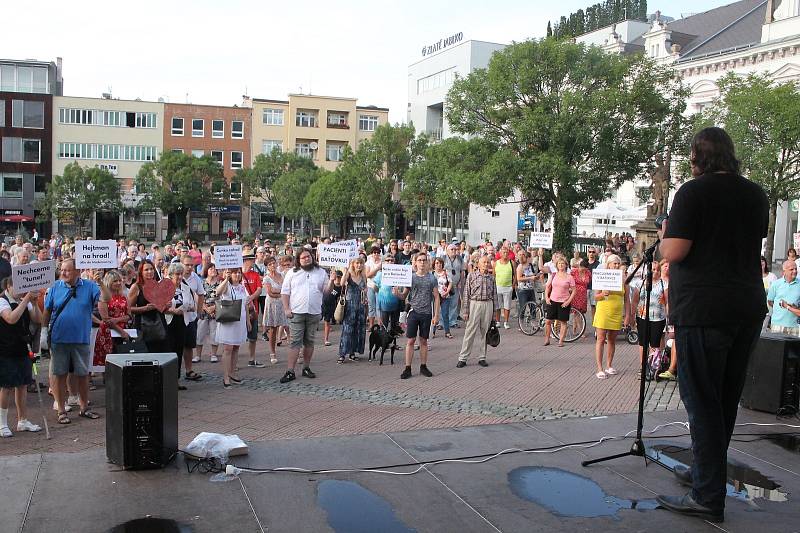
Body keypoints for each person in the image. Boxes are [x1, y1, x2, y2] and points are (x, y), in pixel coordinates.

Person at [656, 127, 769, 522]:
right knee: (724, 397)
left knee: (701, 400)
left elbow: (674, 250)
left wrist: (665, 230)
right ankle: (707, 474)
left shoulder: (693, 192)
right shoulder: (756, 194)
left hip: (704, 308)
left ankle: (707, 496)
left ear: (697, 157)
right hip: (747, 306)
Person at [42, 259, 102, 423]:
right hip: (59, 339)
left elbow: (106, 299)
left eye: (67, 270)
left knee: (82, 375)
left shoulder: (89, 286)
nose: (63, 273)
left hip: (81, 338)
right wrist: (43, 331)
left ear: (77, 271)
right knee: (59, 374)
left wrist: (101, 283)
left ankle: (84, 407)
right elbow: (47, 311)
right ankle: (61, 410)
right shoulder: (55, 287)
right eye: (62, 270)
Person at [279, 248, 336, 383]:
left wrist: (332, 281)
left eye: (308, 256)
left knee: (309, 341)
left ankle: (306, 367)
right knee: (295, 342)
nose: (307, 259)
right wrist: (286, 308)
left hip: (314, 312)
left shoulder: (321, 272)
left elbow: (327, 291)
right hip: (297, 312)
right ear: (298, 260)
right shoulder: (292, 273)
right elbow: (285, 292)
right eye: (303, 257)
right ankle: (290, 371)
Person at [0, 277, 42, 437]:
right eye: (18, 288)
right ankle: (2, 423)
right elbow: (11, 318)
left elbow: (37, 319)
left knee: (23, 384)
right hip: (5, 349)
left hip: (23, 348)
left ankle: (22, 420)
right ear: (9, 287)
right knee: (6, 386)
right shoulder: (2, 301)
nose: (21, 292)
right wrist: (25, 299)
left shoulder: (24, 300)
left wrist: (35, 302)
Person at [398, 253, 440, 379]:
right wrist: (397, 293)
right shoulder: (410, 278)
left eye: (424, 260)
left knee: (423, 340)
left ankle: (423, 366)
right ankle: (407, 367)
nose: (422, 263)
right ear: (415, 263)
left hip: (426, 313)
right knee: (410, 340)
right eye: (420, 260)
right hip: (413, 312)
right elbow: (403, 296)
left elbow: (437, 297)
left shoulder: (432, 278)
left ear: (427, 263)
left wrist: (436, 315)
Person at [216, 268, 255, 388]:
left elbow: (246, 304)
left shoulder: (242, 287)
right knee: (228, 348)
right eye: (234, 272)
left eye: (239, 272)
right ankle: (226, 376)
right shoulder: (227, 285)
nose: (237, 275)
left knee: (236, 347)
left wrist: (248, 320)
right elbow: (218, 292)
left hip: (240, 320)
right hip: (229, 320)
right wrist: (226, 279)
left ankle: (232, 372)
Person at [457, 255, 497, 367]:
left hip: (488, 304)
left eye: (487, 262)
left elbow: (494, 296)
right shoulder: (471, 276)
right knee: (470, 331)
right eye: (483, 262)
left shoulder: (491, 278)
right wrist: (465, 311)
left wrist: (494, 313)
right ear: (478, 264)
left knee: (485, 332)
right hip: (475, 304)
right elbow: (466, 294)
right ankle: (463, 358)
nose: (486, 264)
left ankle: (482, 357)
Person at [591, 254, 627, 378]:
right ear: (609, 265)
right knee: (601, 339)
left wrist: (627, 315)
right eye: (614, 263)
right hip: (603, 311)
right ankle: (600, 368)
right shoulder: (602, 277)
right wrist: (602, 294)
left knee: (612, 340)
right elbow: (595, 297)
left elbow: (627, 299)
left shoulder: (623, 278)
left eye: (618, 264)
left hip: (616, 313)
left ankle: (609, 365)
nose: (616, 266)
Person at [631, 260, 667, 375]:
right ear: (648, 271)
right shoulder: (639, 283)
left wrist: (670, 315)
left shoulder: (664, 284)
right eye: (653, 270)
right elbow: (635, 301)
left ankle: (652, 366)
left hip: (658, 317)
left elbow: (667, 302)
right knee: (643, 342)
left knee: (655, 343)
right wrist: (631, 315)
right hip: (642, 316)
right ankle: (643, 366)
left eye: (657, 270)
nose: (655, 272)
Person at [128, 260, 171, 354]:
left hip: (159, 325)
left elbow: (162, 307)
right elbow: (128, 309)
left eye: (151, 269)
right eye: (146, 270)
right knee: (145, 355)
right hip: (143, 326)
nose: (150, 272)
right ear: (141, 272)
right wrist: (145, 308)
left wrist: (166, 305)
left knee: (162, 355)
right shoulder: (136, 287)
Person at [93, 270, 130, 371]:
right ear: (109, 282)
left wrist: (117, 320)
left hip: (123, 332)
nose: (118, 283)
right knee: (109, 361)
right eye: (115, 281)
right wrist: (120, 330)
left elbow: (129, 315)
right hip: (108, 333)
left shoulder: (124, 296)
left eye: (119, 280)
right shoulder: (103, 297)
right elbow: (106, 319)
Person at [338, 257, 368, 363]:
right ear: (353, 264)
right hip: (350, 305)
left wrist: (366, 300)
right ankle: (342, 354)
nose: (359, 265)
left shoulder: (363, 275)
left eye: (361, 263)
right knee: (347, 329)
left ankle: (352, 352)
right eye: (357, 263)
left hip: (361, 305)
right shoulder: (349, 274)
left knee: (358, 329)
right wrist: (346, 271)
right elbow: (341, 283)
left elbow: (366, 289)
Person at [180, 255, 205, 381]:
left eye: (192, 265)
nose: (190, 268)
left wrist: (199, 311)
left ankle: (189, 370)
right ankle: (175, 371)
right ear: (181, 263)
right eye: (187, 265)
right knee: (176, 344)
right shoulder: (174, 275)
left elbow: (201, 294)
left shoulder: (196, 278)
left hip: (191, 317)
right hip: (176, 317)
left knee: (189, 344)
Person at [543, 256, 575, 347]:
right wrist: (547, 298)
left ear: (566, 265)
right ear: (557, 265)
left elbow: (574, 290)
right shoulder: (553, 275)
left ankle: (561, 340)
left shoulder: (569, 277)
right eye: (559, 263)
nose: (561, 265)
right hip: (553, 300)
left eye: (563, 263)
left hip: (564, 301)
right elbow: (548, 287)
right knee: (548, 321)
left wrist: (568, 301)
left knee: (563, 322)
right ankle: (547, 339)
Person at [241, 252, 265, 368]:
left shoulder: (255, 275)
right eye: (251, 259)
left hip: (252, 308)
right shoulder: (237, 274)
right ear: (245, 260)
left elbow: (259, 289)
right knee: (237, 336)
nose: (253, 261)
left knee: (253, 336)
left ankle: (252, 358)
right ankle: (234, 360)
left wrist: (251, 297)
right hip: (240, 309)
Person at [262, 256, 288, 363]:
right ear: (267, 267)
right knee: (273, 330)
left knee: (288, 327)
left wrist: (278, 291)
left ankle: (296, 351)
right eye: (270, 264)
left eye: (273, 263)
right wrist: (281, 293)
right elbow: (270, 292)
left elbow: (286, 289)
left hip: (282, 305)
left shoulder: (282, 275)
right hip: (272, 305)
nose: (272, 265)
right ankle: (272, 353)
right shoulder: (266, 278)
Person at [766, 260, 800, 335]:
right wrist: (779, 307)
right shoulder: (776, 284)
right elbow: (770, 301)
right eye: (791, 269)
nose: (795, 271)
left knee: (794, 347)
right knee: (776, 347)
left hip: (795, 326)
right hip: (777, 324)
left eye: (796, 269)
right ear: (784, 271)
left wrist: (790, 307)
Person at [196, 264, 221, 364]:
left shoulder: (219, 284)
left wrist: (213, 308)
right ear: (206, 270)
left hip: (215, 311)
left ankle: (214, 354)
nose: (213, 270)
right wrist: (205, 308)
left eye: (215, 268)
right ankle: (198, 355)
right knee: (200, 333)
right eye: (211, 268)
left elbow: (222, 298)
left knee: (214, 333)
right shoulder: (201, 283)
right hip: (203, 311)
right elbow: (197, 296)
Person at [374, 254, 403, 335]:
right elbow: (375, 287)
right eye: (387, 260)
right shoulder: (380, 274)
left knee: (394, 327)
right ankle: (384, 345)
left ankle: (393, 345)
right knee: (384, 327)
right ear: (383, 262)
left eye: (392, 260)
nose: (390, 262)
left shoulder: (399, 273)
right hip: (384, 305)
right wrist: (381, 294)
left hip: (396, 304)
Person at [443, 244, 465, 329]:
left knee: (454, 304)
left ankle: (452, 321)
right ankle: (441, 323)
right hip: (445, 285)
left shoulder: (459, 258)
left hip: (456, 284)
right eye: (451, 249)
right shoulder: (443, 258)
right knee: (444, 304)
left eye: (455, 249)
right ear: (447, 250)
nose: (454, 251)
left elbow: (462, 271)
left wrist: (460, 282)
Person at [493, 247, 515, 329]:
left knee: (507, 306)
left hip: (508, 287)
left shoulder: (512, 263)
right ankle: (498, 321)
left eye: (506, 252)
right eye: (503, 252)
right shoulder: (496, 263)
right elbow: (493, 275)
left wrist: (513, 285)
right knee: (498, 306)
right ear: (500, 253)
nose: (505, 254)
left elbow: (515, 275)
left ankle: (506, 322)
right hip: (498, 286)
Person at [432, 257, 453, 338]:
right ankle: (433, 331)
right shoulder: (432, 274)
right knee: (434, 314)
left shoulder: (446, 273)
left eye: (440, 263)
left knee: (445, 314)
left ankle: (447, 332)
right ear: (434, 264)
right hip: (435, 297)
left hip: (445, 296)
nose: (439, 265)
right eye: (437, 263)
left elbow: (450, 282)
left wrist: (447, 291)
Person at [570, 258, 591, 336]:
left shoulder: (588, 272)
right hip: (575, 293)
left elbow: (589, 280)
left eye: (585, 269)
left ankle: (574, 329)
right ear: (579, 266)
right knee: (576, 312)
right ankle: (581, 331)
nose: (583, 270)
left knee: (580, 312)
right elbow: (569, 281)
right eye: (582, 268)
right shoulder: (573, 271)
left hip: (583, 294)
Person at [364, 246, 382, 330]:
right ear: (371, 254)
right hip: (370, 286)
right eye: (374, 253)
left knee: (379, 307)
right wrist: (377, 269)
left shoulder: (382, 262)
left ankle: (379, 325)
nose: (376, 254)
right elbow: (367, 275)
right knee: (371, 306)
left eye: (378, 253)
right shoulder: (368, 262)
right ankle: (371, 325)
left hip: (380, 287)